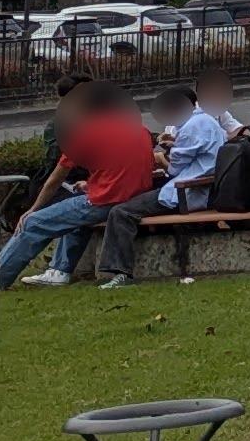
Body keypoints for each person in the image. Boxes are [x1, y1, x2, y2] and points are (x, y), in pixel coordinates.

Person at [0, 80, 161, 289]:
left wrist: (32, 210)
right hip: (136, 198)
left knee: (33, 223)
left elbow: (56, 178)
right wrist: (92, 184)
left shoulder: (86, 133)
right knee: (73, 212)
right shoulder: (140, 130)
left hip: (105, 201)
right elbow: (126, 167)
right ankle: (60, 270)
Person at [96, 72, 231, 288]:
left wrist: (161, 157)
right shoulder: (208, 122)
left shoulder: (191, 127)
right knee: (135, 199)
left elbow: (175, 170)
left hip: (184, 193)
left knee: (121, 212)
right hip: (202, 188)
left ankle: (120, 272)